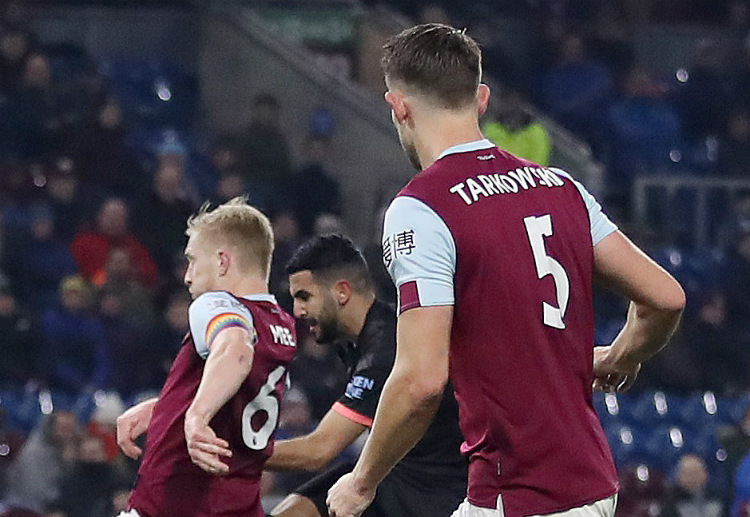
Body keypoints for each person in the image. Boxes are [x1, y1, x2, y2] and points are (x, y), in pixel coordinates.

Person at [327, 23, 685, 517]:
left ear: (398, 107)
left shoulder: (421, 209)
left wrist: (361, 481)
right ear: (481, 99)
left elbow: (421, 381)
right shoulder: (561, 187)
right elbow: (666, 297)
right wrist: (622, 356)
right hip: (593, 485)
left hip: (520, 495)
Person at [114, 197, 297, 517]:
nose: (187, 276)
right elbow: (238, 395)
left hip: (172, 505)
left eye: (193, 261)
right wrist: (165, 408)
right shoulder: (281, 324)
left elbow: (235, 350)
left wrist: (195, 417)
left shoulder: (216, 304)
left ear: (223, 262)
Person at [266, 235, 467, 517]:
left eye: (304, 297)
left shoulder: (384, 350)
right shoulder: (359, 339)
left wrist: (235, 455)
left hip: (434, 489)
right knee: (294, 511)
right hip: (398, 470)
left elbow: (319, 450)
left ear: (342, 292)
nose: (297, 311)